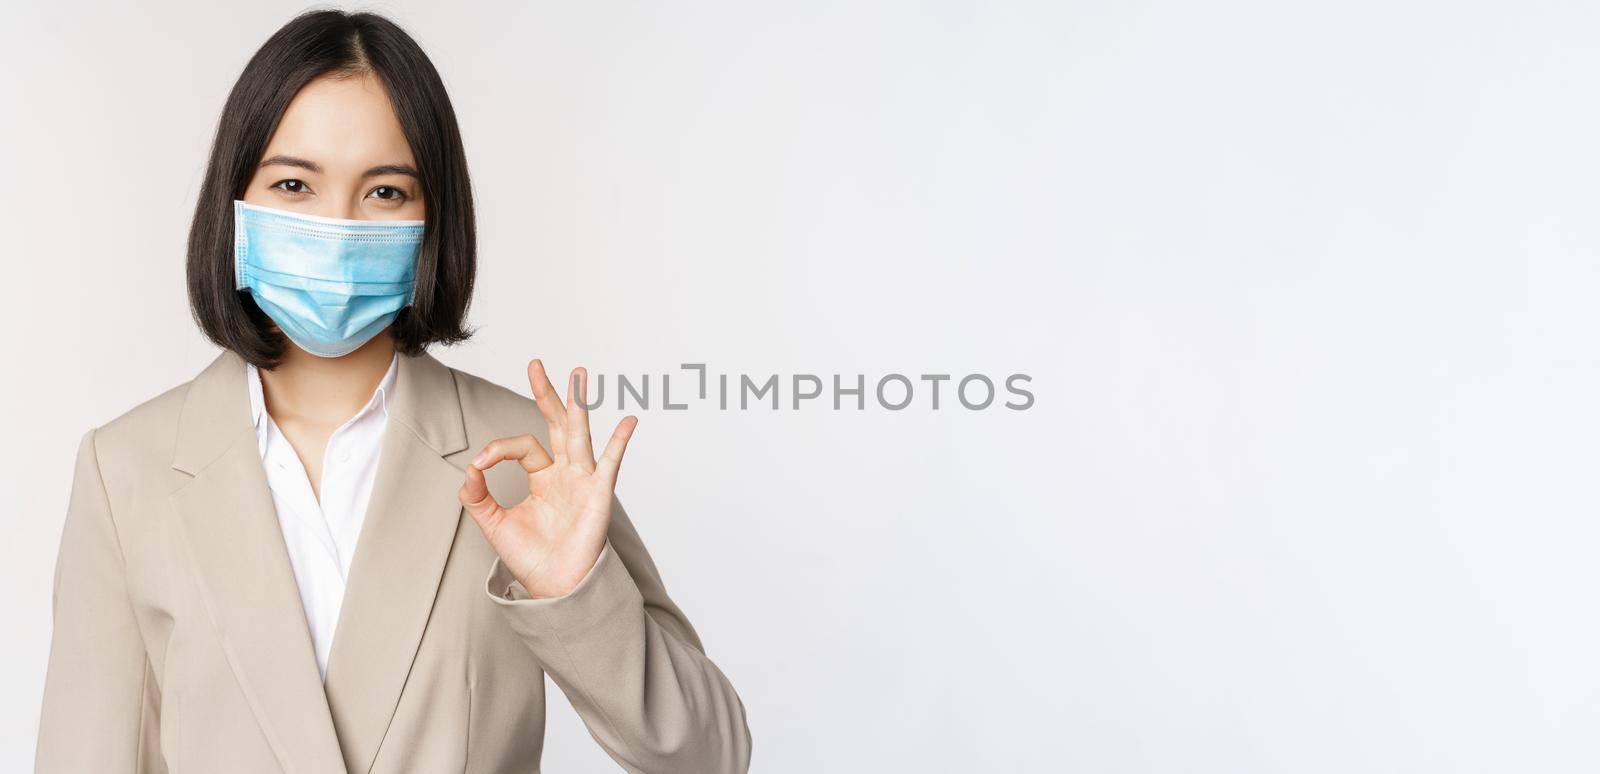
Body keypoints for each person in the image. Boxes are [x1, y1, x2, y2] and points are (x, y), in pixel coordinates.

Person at [34, 10, 751, 773]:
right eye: (293, 184)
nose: (337, 226)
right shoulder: (127, 470)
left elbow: (709, 756)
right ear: (234, 208)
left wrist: (576, 593)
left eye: (383, 192)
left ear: (432, 218)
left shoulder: (524, 459)